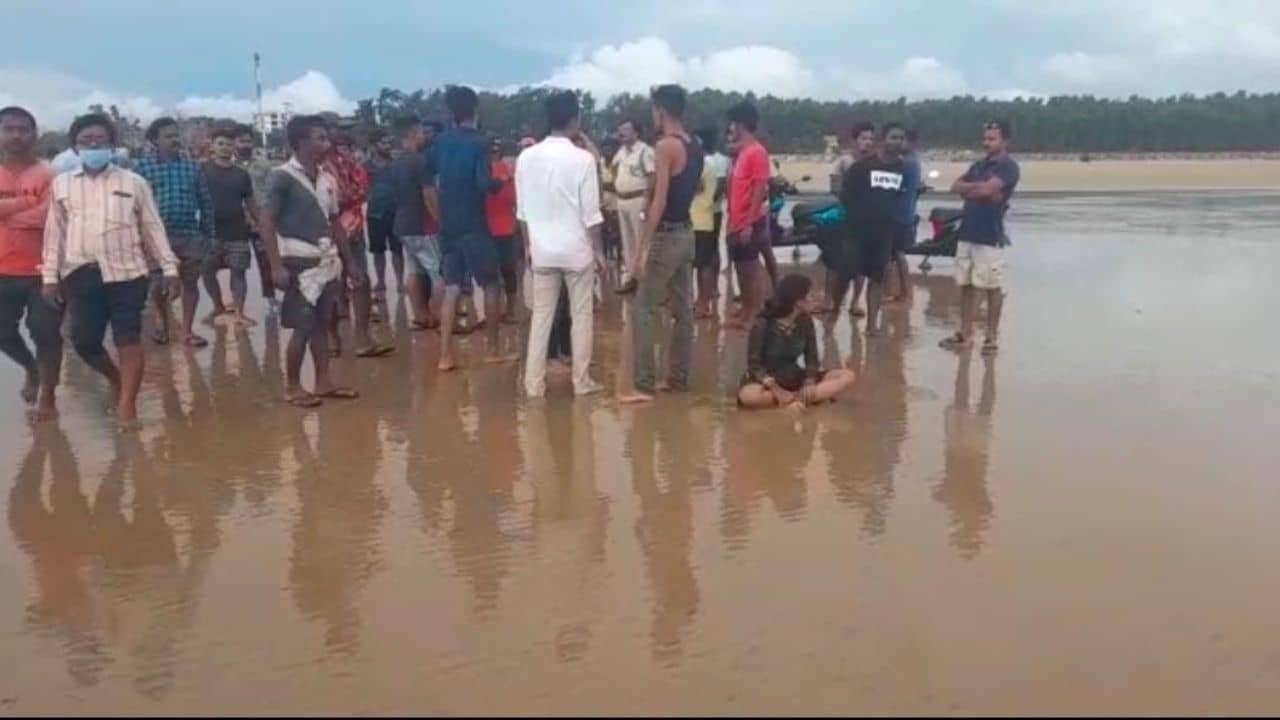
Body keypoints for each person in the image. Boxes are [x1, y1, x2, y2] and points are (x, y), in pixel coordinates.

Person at [42, 113, 182, 427]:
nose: (94, 146)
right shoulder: (62, 184)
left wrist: (169, 268)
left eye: (100, 140)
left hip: (127, 274)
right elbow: (55, 233)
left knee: (128, 338)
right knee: (84, 341)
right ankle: (116, 379)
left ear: (112, 144)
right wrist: (50, 277)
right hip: (80, 273)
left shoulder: (133, 182)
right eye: (86, 141)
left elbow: (152, 228)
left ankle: (127, 406)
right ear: (75, 147)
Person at [258, 114, 361, 408]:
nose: (327, 143)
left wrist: (350, 261)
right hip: (297, 261)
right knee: (302, 327)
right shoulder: (281, 177)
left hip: (325, 260)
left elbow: (335, 222)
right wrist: (275, 265)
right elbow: (266, 221)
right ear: (301, 142)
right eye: (320, 138)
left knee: (321, 324)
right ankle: (293, 387)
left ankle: (323, 381)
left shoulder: (327, 179)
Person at [515, 90, 606, 398]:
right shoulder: (584, 160)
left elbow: (522, 213)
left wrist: (529, 247)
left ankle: (533, 384)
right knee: (581, 316)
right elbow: (591, 215)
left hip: (542, 251)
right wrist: (600, 252)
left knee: (541, 317)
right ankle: (581, 382)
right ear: (575, 120)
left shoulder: (526, 158)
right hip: (577, 252)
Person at [618, 84, 702, 404]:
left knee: (644, 307)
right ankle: (679, 377)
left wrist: (641, 250)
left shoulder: (666, 146)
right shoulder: (694, 145)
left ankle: (643, 383)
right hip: (687, 232)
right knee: (683, 309)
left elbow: (660, 201)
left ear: (661, 111)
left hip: (666, 235)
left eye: (654, 110)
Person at [425, 85, 515, 371]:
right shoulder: (479, 142)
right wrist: (502, 181)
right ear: (475, 110)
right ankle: (492, 350)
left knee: (452, 287)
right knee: (491, 284)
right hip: (475, 225)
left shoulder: (440, 141)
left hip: (448, 225)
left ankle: (444, 356)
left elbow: (428, 181)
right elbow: (483, 183)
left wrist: (440, 215)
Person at [0, 106, 60, 420]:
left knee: (46, 334)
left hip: (44, 270)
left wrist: (6, 213)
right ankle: (31, 369)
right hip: (2, 270)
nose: (16, 136)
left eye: (23, 129)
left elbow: (48, 216)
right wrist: (27, 201)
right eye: (9, 129)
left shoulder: (50, 173)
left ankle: (47, 397)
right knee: (3, 334)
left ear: (34, 135)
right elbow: (35, 210)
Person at [134, 117, 216, 348]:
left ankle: (187, 331)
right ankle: (163, 324)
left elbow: (205, 202)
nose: (174, 140)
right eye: (168, 136)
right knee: (158, 284)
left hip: (189, 235)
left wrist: (208, 236)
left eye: (175, 135)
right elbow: (134, 206)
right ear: (155, 140)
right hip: (156, 238)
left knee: (190, 283)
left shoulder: (192, 168)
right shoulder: (142, 169)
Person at [941, 119, 1020, 355]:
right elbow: (955, 186)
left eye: (992, 139)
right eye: (985, 138)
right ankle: (964, 333)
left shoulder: (1008, 167)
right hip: (968, 231)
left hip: (989, 234)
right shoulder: (978, 165)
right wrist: (978, 188)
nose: (986, 143)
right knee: (966, 284)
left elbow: (986, 190)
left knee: (992, 286)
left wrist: (973, 190)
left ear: (1005, 141)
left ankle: (991, 337)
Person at [737, 274, 856, 410]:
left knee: (847, 376)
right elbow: (754, 365)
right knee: (749, 396)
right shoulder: (763, 324)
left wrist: (809, 380)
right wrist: (776, 389)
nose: (815, 298)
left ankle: (793, 400)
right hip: (765, 379)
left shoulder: (805, 321)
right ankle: (804, 399)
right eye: (810, 295)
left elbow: (812, 358)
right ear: (798, 302)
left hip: (794, 376)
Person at [324, 128, 390, 358]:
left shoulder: (354, 168)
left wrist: (348, 196)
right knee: (333, 287)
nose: (346, 152)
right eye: (340, 147)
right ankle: (333, 338)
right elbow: (340, 198)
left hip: (354, 232)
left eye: (348, 147)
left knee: (360, 282)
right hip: (327, 236)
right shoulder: (321, 170)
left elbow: (360, 192)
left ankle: (361, 338)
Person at [839, 122, 906, 336]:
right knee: (845, 276)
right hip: (856, 231)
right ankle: (832, 318)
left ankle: (871, 326)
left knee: (877, 278)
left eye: (901, 138)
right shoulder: (862, 167)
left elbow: (898, 197)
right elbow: (845, 195)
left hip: (884, 232)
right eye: (893, 137)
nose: (897, 142)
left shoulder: (901, 167)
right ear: (883, 140)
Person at [200, 126, 259, 327]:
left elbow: (251, 203)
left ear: (234, 147)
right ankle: (218, 306)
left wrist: (261, 224)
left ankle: (240, 312)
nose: (225, 148)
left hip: (237, 232)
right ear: (212, 146)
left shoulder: (241, 175)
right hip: (208, 233)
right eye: (220, 144)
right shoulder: (201, 171)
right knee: (207, 272)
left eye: (228, 144)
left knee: (238, 272)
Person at [723, 100, 770, 330]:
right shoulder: (742, 152)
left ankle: (755, 312)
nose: (731, 128)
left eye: (733, 123)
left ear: (741, 124)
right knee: (741, 268)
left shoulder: (757, 152)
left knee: (751, 269)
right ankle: (746, 308)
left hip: (749, 221)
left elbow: (759, 189)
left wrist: (749, 223)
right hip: (736, 219)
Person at [389, 115, 439, 330]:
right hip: (422, 224)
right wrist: (440, 220)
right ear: (412, 134)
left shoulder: (395, 163)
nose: (423, 136)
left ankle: (420, 314)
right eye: (420, 132)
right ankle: (438, 316)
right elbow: (429, 195)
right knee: (439, 273)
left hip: (402, 224)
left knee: (414, 270)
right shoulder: (421, 161)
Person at [824, 121, 877, 317]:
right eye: (864, 138)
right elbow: (835, 188)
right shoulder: (843, 162)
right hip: (843, 218)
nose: (868, 142)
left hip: (867, 221)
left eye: (871, 138)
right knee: (834, 262)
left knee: (861, 265)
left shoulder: (876, 163)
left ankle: (855, 302)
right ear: (855, 140)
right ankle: (829, 300)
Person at [233, 124, 278, 310]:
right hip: (236, 221)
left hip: (259, 222)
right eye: (241, 141)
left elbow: (272, 193)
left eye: (248, 141)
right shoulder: (228, 166)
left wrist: (269, 218)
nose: (245, 145)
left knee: (266, 261)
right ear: (234, 142)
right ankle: (237, 306)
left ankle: (271, 299)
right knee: (236, 265)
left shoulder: (264, 166)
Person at [611, 118, 655, 294]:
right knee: (627, 242)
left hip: (638, 200)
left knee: (641, 240)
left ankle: (646, 280)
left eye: (626, 130)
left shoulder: (645, 151)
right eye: (620, 130)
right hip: (622, 200)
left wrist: (647, 201)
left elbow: (652, 176)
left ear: (636, 133)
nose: (621, 133)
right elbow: (613, 168)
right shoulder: (621, 152)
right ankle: (632, 277)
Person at [691, 127, 728, 319]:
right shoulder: (707, 162)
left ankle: (703, 303)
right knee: (702, 262)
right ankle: (702, 300)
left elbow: (696, 186)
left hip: (700, 217)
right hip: (702, 216)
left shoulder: (703, 163)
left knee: (702, 263)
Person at [486, 137, 521, 323]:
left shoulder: (492, 171)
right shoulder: (506, 171)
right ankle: (506, 311)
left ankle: (505, 311)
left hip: (500, 229)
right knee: (505, 272)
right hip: (498, 229)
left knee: (501, 273)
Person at [364, 128, 403, 296]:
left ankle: (400, 282)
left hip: (395, 212)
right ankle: (380, 281)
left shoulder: (396, 164)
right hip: (375, 214)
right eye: (383, 143)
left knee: (397, 250)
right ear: (373, 145)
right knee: (377, 251)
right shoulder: (366, 167)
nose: (387, 146)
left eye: (389, 142)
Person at [888, 127, 922, 302]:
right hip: (906, 213)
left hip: (897, 214)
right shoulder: (915, 161)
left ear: (911, 142)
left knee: (894, 253)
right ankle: (903, 291)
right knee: (897, 253)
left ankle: (900, 291)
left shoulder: (905, 163)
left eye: (902, 140)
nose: (899, 143)